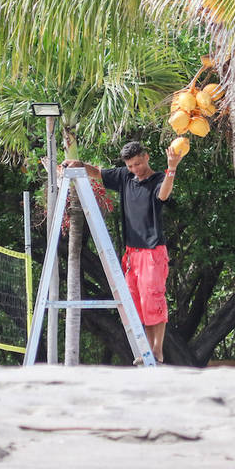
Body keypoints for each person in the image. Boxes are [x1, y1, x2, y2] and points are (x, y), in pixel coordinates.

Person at [63, 140, 183, 363]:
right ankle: (146, 350)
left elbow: (164, 194)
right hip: (132, 252)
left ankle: (158, 350)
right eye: (130, 166)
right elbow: (98, 172)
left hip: (152, 250)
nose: (135, 169)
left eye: (138, 164)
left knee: (153, 299)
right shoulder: (125, 177)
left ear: (146, 157)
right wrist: (78, 163)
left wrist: (172, 168)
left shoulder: (158, 179)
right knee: (136, 303)